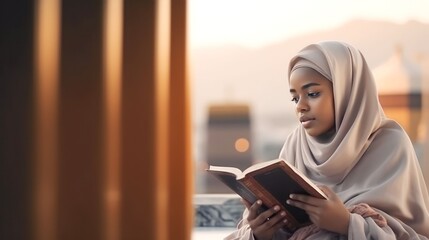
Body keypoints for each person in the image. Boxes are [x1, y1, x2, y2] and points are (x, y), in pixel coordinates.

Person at [225, 41, 429, 239]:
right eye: (295, 98)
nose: (300, 106)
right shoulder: (297, 143)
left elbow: (410, 234)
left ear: (346, 91)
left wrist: (346, 224)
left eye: (312, 94)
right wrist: (261, 231)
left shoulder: (389, 143)